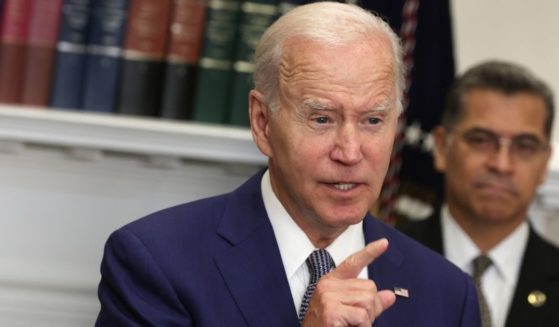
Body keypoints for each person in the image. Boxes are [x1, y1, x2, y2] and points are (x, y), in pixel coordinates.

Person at [96, 2, 480, 326]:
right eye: (321, 119)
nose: (349, 152)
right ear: (263, 123)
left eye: (372, 121)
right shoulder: (157, 263)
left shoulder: (447, 294)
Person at [397, 60, 559, 327]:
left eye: (525, 146)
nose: (501, 164)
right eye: (481, 140)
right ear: (441, 147)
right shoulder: (380, 259)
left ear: (544, 163)